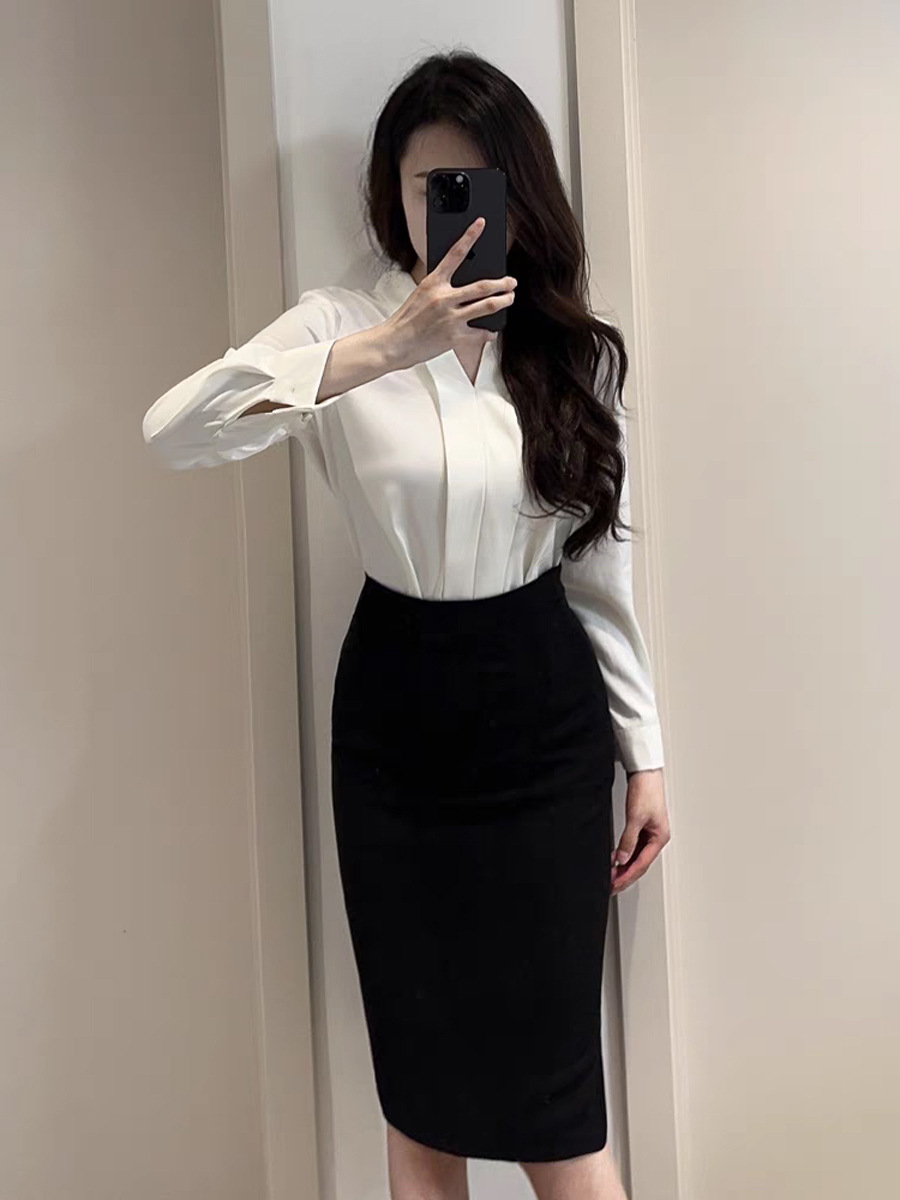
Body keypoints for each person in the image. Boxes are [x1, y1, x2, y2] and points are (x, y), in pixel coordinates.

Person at [143, 49, 671, 1200]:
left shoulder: (566, 347)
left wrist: (647, 754)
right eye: (431, 186)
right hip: (398, 727)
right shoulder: (338, 326)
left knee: (558, 1107)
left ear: (522, 189)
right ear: (391, 192)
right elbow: (175, 431)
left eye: (477, 184)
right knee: (421, 1098)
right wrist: (385, 349)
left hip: (543, 719)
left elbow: (602, 571)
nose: (454, 213)